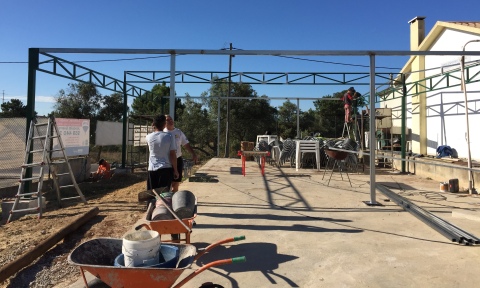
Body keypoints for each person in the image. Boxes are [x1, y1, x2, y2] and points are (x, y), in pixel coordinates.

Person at [164, 115, 198, 192]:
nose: (170, 121)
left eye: (171, 119)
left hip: (178, 159)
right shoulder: (162, 133)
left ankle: (174, 199)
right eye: (168, 120)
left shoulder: (178, 132)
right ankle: (167, 201)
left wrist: (193, 154)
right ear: (164, 123)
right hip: (167, 161)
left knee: (176, 182)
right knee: (167, 184)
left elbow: (186, 144)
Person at [146, 115, 179, 191]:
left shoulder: (148, 137)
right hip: (165, 169)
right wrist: (176, 170)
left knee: (152, 194)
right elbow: (172, 154)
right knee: (164, 195)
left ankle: (151, 203)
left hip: (152, 169)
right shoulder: (170, 136)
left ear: (153, 124)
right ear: (165, 125)